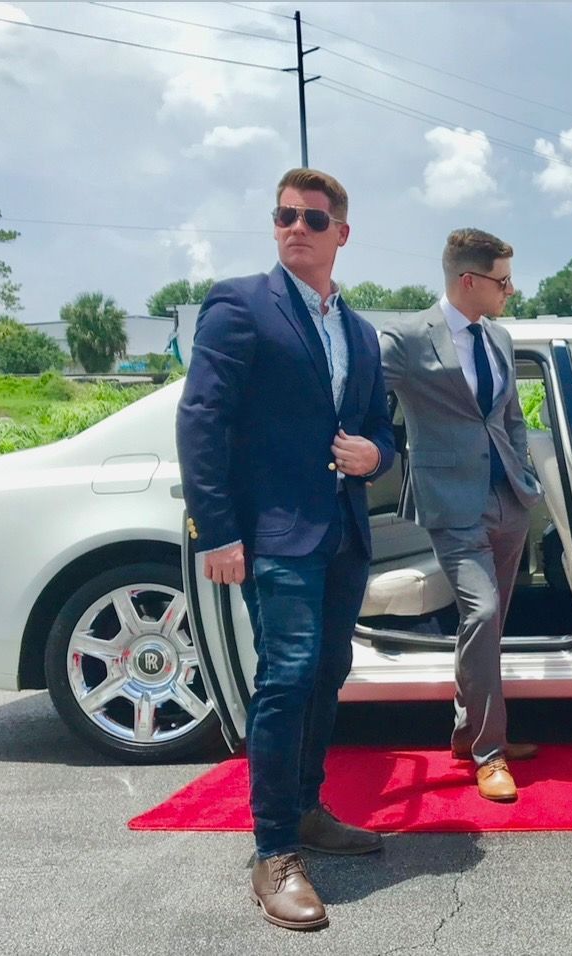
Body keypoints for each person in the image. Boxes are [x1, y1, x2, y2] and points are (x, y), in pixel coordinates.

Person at [176, 168, 395, 931]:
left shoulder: (361, 333)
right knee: (288, 674)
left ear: (341, 231)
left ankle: (305, 810)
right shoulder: (242, 304)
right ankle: (274, 852)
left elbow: (381, 427)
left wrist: (377, 455)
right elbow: (202, 419)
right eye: (283, 215)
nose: (294, 226)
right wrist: (219, 529)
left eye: (310, 216)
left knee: (329, 671)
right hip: (272, 533)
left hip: (341, 530)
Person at [380, 228, 542, 802]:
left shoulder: (497, 336)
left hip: (508, 499)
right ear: (467, 280)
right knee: (483, 611)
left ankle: (467, 729)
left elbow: (510, 415)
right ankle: (489, 753)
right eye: (502, 281)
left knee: (489, 626)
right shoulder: (404, 338)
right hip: (450, 503)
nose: (511, 290)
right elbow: (363, 401)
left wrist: (523, 471)